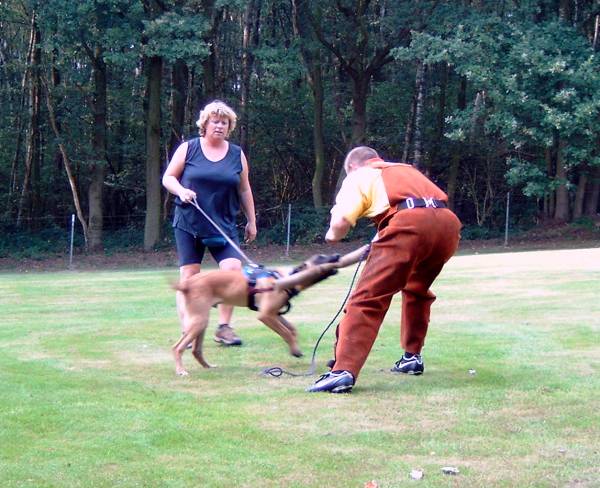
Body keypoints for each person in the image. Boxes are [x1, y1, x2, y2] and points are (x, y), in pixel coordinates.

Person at [307, 146, 461, 393]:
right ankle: (412, 357)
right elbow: (414, 205)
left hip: (409, 224)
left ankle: (342, 371)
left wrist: (330, 236)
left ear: (352, 166)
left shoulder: (359, 175)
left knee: (368, 297)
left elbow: (340, 223)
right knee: (417, 289)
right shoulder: (405, 170)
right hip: (447, 224)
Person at [162, 100, 257, 347]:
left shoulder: (237, 154)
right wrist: (181, 190)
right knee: (189, 276)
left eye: (224, 122)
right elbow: (168, 177)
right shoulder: (189, 148)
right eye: (215, 121)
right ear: (205, 124)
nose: (220, 126)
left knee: (232, 272)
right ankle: (188, 330)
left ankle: (224, 328)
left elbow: (244, 189)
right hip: (189, 222)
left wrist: (252, 220)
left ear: (229, 127)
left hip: (223, 224)